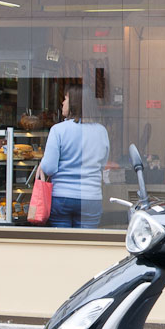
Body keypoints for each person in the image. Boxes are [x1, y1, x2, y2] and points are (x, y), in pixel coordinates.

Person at [38, 84, 110, 228]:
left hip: (62, 196)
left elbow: (49, 168)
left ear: (74, 103)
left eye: (65, 99)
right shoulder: (101, 131)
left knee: (63, 246)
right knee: (87, 245)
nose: (63, 103)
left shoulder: (58, 130)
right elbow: (102, 164)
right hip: (91, 196)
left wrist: (42, 163)